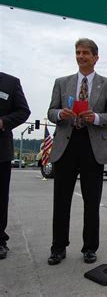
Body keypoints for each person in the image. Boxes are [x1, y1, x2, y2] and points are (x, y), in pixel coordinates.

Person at [46, 38, 107, 265]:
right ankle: (58, 247)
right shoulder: (61, 82)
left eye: (86, 53)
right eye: (78, 52)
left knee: (91, 201)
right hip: (66, 146)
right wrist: (61, 114)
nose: (81, 56)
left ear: (96, 57)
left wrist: (96, 117)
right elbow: (50, 111)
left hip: (92, 147)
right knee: (61, 201)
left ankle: (90, 247)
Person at [0, 73, 30, 259]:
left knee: (0, 199)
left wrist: (3, 122)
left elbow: (23, 111)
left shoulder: (10, 83)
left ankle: (0, 240)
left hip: (1, 152)